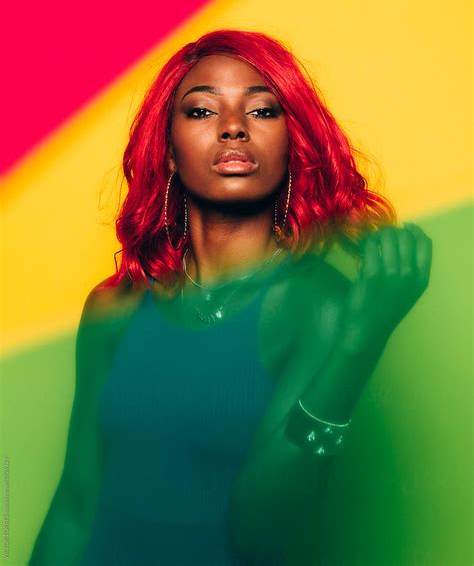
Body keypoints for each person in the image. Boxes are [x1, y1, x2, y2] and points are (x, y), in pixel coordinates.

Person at [28, 29, 432, 565]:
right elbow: (76, 506)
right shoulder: (113, 309)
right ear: (168, 152)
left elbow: (259, 533)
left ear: (293, 146)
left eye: (263, 111)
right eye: (200, 112)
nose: (234, 127)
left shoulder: (321, 306)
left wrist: (363, 336)